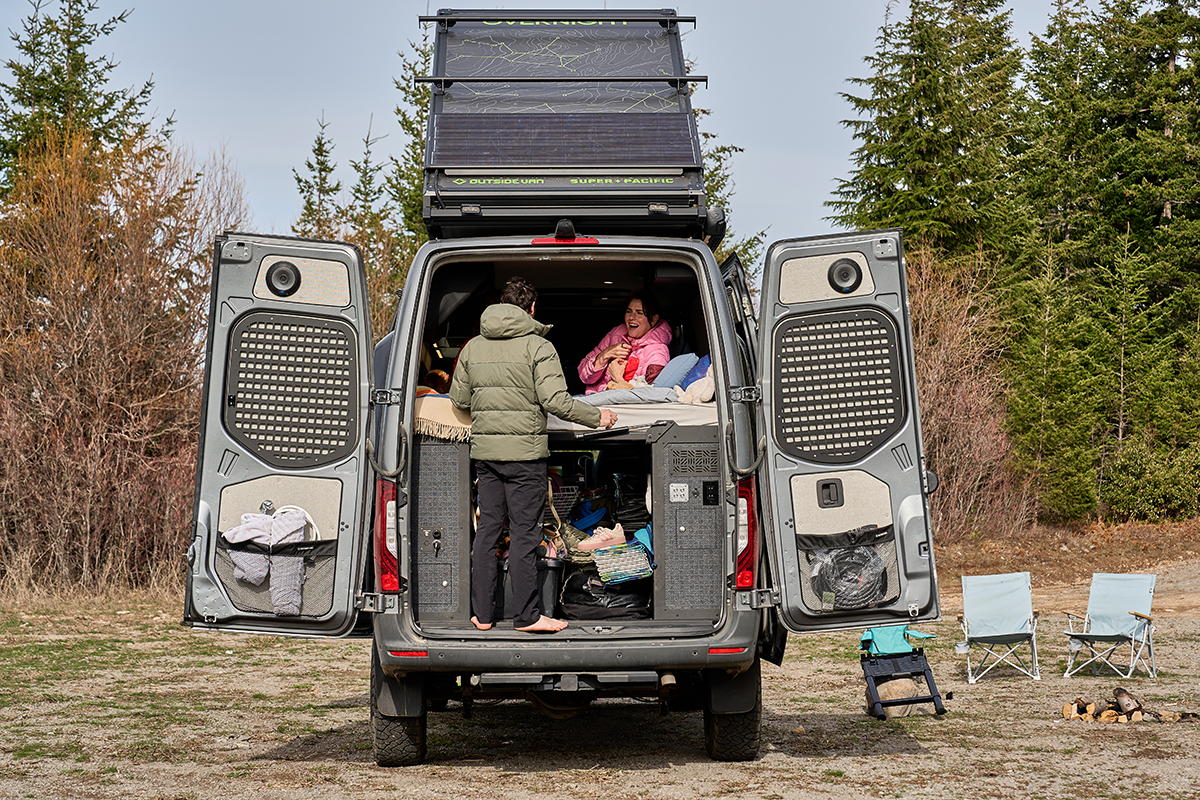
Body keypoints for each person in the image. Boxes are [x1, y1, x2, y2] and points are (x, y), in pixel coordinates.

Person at [450, 277, 618, 633]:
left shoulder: (472, 348)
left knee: (488, 532)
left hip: (487, 455)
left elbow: (460, 401)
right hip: (525, 456)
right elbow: (556, 401)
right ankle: (528, 617)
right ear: (531, 309)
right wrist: (597, 416)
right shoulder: (538, 347)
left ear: (499, 306)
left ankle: (483, 615)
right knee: (525, 534)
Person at [577, 291, 672, 394]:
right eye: (629, 311)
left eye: (639, 313)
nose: (631, 317)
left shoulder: (657, 351)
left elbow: (650, 396)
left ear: (653, 319)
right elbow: (583, 376)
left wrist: (618, 379)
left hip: (619, 407)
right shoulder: (615, 334)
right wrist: (604, 355)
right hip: (594, 400)